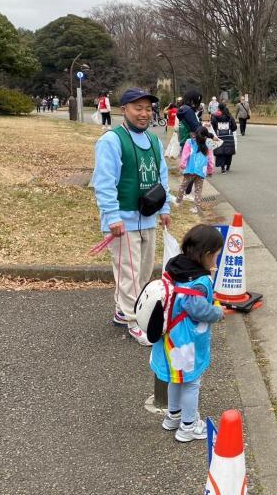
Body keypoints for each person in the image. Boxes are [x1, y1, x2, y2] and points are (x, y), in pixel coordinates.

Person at [92, 87, 171, 346]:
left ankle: (122, 310)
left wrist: (165, 209)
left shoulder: (154, 141)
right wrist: (112, 216)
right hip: (122, 222)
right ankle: (134, 321)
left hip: (148, 217)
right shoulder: (111, 141)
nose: (144, 113)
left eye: (148, 108)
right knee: (130, 274)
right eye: (138, 108)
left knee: (143, 272)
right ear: (123, 109)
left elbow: (162, 177)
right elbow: (104, 182)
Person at [151, 224, 225, 442]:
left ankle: (173, 417)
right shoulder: (199, 282)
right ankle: (188, 427)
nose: (216, 261)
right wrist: (218, 312)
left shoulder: (176, 267)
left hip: (169, 337)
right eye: (216, 256)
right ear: (206, 254)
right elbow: (198, 309)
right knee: (191, 383)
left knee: (176, 379)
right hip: (186, 342)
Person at [177, 126, 215, 214]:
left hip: (190, 169)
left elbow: (185, 154)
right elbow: (210, 160)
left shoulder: (189, 142)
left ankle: (178, 202)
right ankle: (197, 207)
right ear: (206, 136)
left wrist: (183, 164)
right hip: (201, 171)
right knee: (198, 190)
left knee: (183, 186)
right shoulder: (208, 144)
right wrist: (210, 170)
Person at [212, 104, 237, 173]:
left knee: (220, 152)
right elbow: (234, 127)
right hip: (229, 136)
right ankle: (228, 166)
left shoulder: (215, 116)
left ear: (219, 108)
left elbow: (213, 126)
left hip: (219, 136)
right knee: (228, 152)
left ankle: (222, 168)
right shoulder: (230, 116)